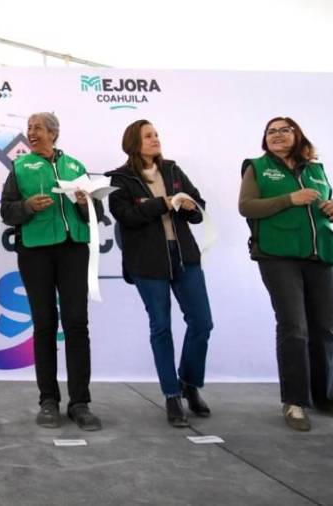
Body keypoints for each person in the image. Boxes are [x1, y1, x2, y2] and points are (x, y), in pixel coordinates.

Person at [239, 116, 333, 431]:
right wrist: (289, 199)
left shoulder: (316, 169)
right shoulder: (256, 167)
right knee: (294, 327)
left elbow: (329, 204)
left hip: (319, 254)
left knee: (324, 328)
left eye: (285, 130)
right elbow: (247, 207)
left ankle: (326, 397)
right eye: (271, 132)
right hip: (278, 255)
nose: (277, 135)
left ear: (298, 136)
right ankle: (295, 402)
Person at [0, 112, 104, 431]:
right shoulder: (19, 167)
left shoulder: (75, 166)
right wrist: (28, 207)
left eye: (38, 128)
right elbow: (7, 212)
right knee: (45, 325)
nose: (32, 133)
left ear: (54, 133)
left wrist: (85, 204)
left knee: (76, 324)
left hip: (74, 249)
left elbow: (97, 212)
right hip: (35, 252)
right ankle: (48, 401)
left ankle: (80, 402)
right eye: (29, 129)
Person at [106, 119, 213, 428]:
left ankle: (189, 384)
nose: (155, 139)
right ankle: (171, 395)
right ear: (133, 143)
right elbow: (125, 216)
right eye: (148, 136)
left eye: (156, 134)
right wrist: (161, 204)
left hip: (184, 257)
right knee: (161, 327)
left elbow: (199, 206)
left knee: (202, 323)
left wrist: (190, 206)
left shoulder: (173, 170)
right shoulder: (120, 178)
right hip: (147, 262)